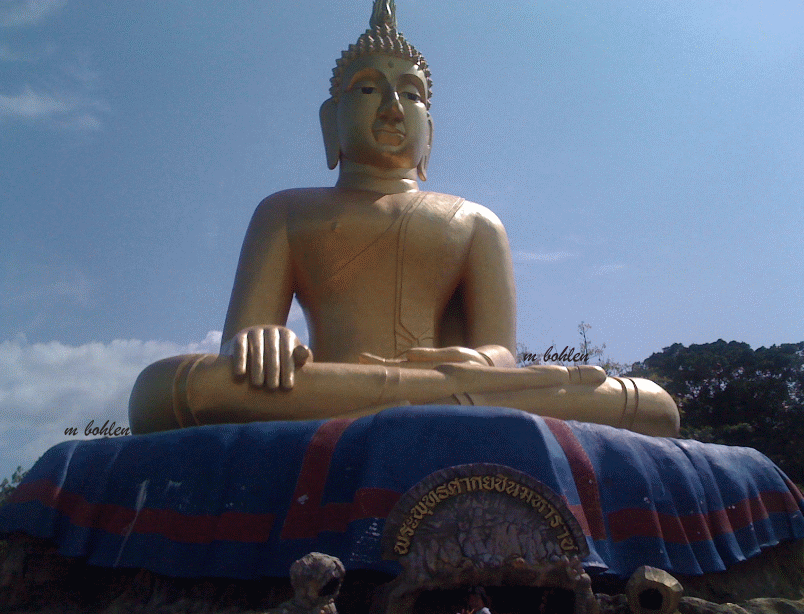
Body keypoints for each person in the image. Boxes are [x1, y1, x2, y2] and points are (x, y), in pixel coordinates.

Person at [129, 0, 679, 437]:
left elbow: (500, 352)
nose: (392, 105)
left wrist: (477, 362)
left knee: (653, 404)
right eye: (368, 88)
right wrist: (258, 342)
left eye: (410, 94)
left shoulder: (474, 221)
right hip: (330, 383)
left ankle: (431, 400)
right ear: (330, 122)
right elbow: (242, 341)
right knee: (163, 388)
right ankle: (436, 405)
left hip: (440, 382)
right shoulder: (286, 212)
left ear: (430, 133)